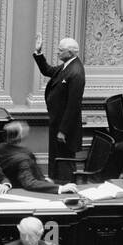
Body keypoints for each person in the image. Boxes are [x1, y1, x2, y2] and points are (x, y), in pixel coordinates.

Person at [32, 35, 85, 180]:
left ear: (70, 53)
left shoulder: (76, 72)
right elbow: (48, 70)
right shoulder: (67, 65)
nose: (57, 52)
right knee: (56, 157)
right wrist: (39, 53)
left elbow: (73, 105)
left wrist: (63, 131)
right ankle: (55, 184)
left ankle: (64, 186)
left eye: (60, 50)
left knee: (64, 160)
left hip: (65, 127)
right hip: (57, 121)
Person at [0, 121, 79, 195]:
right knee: (72, 185)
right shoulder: (23, 159)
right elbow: (29, 183)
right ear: (20, 137)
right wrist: (60, 188)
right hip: (27, 191)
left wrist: (45, 179)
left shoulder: (1, 147)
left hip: (24, 183)